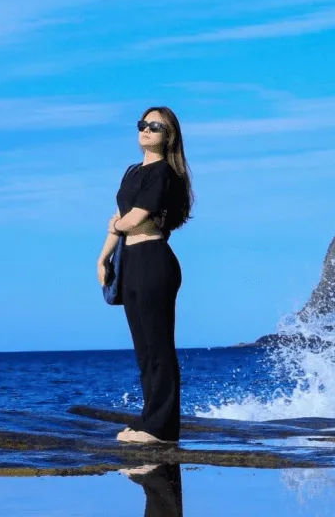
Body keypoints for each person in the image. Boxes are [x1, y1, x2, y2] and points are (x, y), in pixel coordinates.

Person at [97, 106, 194, 444]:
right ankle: (148, 422)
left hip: (154, 259)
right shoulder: (132, 172)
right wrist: (103, 256)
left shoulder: (165, 173)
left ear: (169, 136)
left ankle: (162, 429)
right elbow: (120, 214)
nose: (147, 130)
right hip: (131, 260)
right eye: (143, 124)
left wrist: (118, 225)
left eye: (156, 126)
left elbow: (134, 217)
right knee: (144, 351)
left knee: (159, 348)